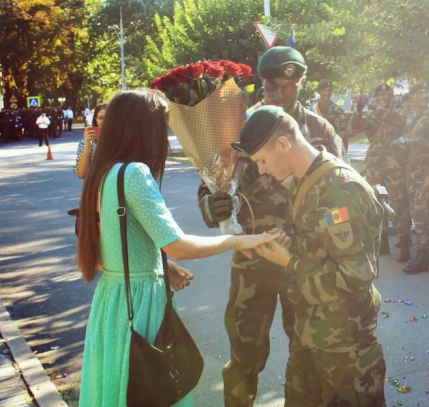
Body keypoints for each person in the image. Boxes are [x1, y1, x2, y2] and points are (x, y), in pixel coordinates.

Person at [75, 89, 278, 407]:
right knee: (150, 391)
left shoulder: (102, 172)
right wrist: (237, 240)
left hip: (112, 303)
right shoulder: (135, 174)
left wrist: (160, 267)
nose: (166, 136)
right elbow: (179, 246)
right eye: (163, 125)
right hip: (140, 305)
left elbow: (102, 256)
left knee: (116, 391)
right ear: (144, 128)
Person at [198, 46, 343, 406]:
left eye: (291, 86)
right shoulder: (242, 127)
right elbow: (210, 181)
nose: (282, 93)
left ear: (302, 83)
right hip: (252, 259)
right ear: (261, 84)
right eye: (273, 86)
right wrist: (211, 205)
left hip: (302, 260)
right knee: (245, 357)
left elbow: (340, 192)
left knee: (307, 354)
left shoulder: (319, 129)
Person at [238, 105, 386, 406]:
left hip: (344, 344)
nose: (262, 169)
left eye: (262, 160)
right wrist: (291, 245)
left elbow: (355, 275)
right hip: (311, 334)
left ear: (283, 144)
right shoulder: (310, 179)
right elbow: (323, 248)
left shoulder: (338, 190)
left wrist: (288, 261)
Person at [350, 83, 406, 257]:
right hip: (375, 164)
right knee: (375, 202)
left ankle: (405, 243)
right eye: (379, 94)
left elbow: (392, 119)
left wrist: (371, 102)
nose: (383, 97)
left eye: (386, 94)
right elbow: (356, 127)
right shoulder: (372, 115)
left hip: (394, 164)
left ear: (392, 96)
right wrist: (359, 108)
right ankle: (381, 242)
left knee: (398, 203)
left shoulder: (399, 112)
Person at [401, 83, 429, 274]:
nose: (424, 96)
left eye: (426, 92)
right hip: (413, 170)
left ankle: (422, 256)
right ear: (412, 98)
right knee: (418, 211)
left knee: (419, 210)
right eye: (420, 93)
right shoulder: (411, 117)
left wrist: (422, 143)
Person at [312, 79, 349, 150]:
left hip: (332, 149)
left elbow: (343, 133)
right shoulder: (312, 110)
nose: (327, 93)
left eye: (329, 90)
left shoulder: (338, 110)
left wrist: (341, 151)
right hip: (315, 149)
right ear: (319, 91)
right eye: (324, 90)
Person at [75, 103, 106, 179]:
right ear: (96, 120)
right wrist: (88, 145)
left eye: (108, 117)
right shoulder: (85, 143)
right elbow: (82, 174)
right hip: (94, 188)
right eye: (100, 118)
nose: (104, 121)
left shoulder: (121, 141)